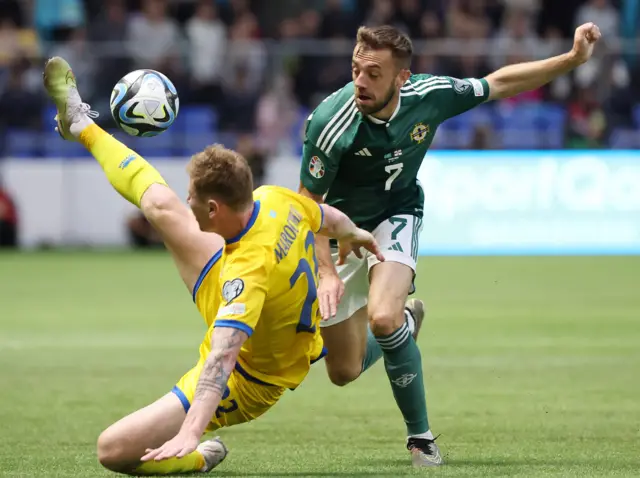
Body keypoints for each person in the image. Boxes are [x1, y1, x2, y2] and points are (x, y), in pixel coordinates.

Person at [43, 56, 384, 476]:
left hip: (249, 378)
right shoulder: (275, 199)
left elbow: (222, 360)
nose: (187, 201)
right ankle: (80, 124)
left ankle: (201, 458)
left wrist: (192, 431)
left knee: (113, 450)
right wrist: (351, 231)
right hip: (247, 289)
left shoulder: (247, 273)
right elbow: (323, 215)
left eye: (193, 197)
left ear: (213, 207)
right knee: (159, 206)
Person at [299, 23, 602, 467]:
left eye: (374, 73)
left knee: (381, 319)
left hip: (396, 216)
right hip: (340, 232)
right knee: (342, 372)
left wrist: (571, 60)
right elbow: (309, 205)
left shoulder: (431, 94)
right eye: (356, 69)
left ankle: (420, 439)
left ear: (402, 77)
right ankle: (406, 323)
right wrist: (325, 270)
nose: (360, 82)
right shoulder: (331, 121)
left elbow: (499, 83)